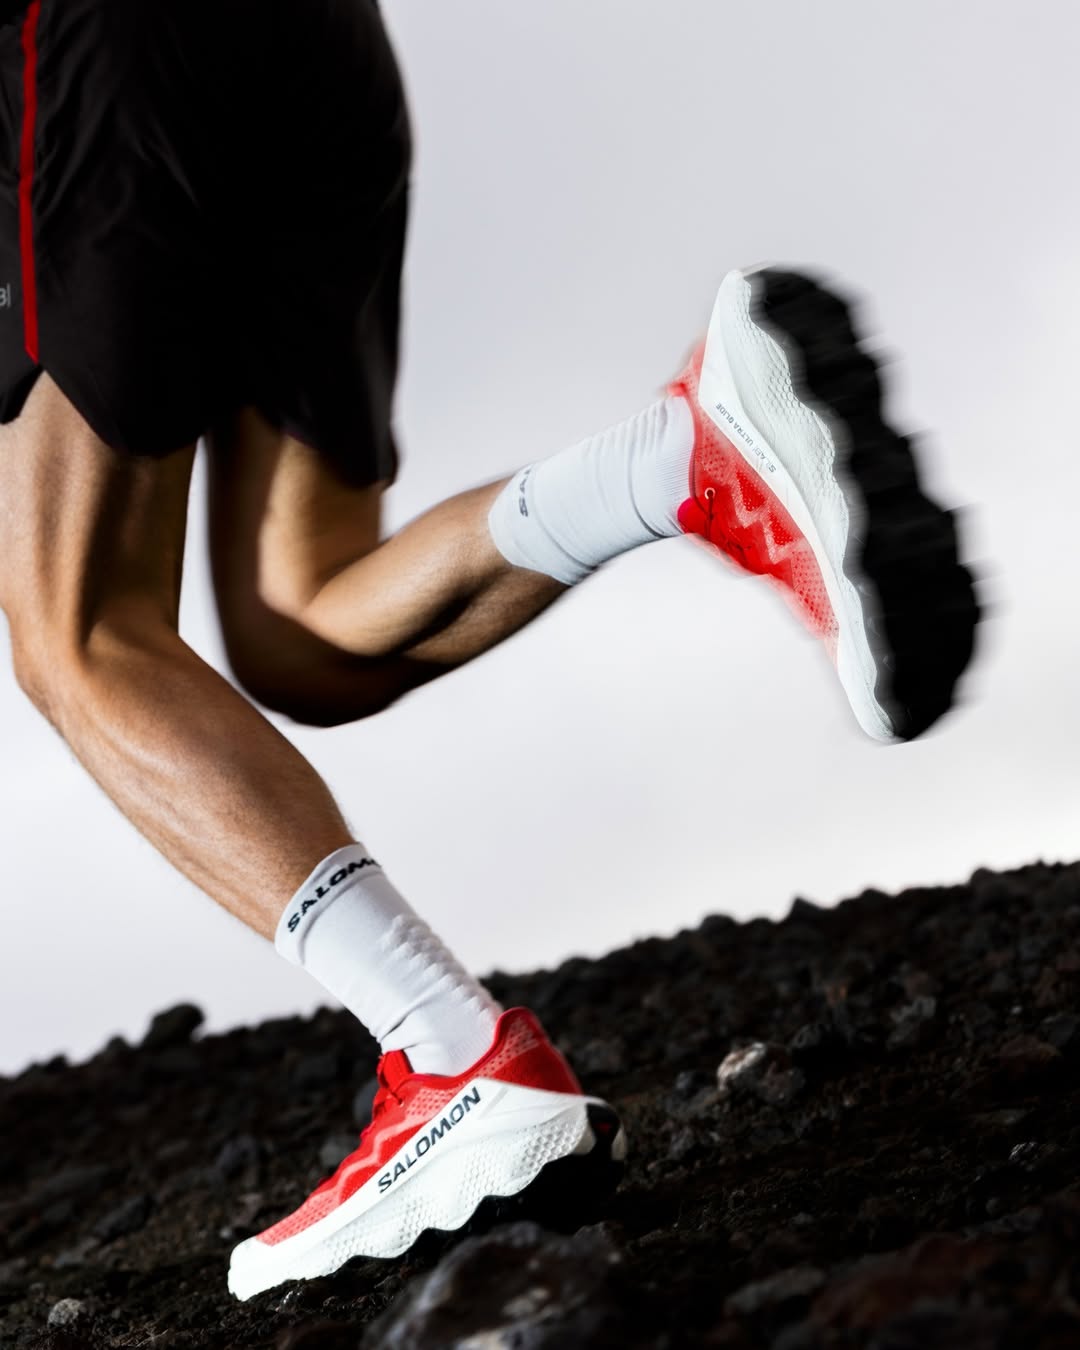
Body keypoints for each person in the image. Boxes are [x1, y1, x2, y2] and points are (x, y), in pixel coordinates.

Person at [0, 0, 977, 1302]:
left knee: (77, 634)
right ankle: (688, 455)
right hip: (309, 50)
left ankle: (452, 1053)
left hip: (86, 46)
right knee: (304, 626)